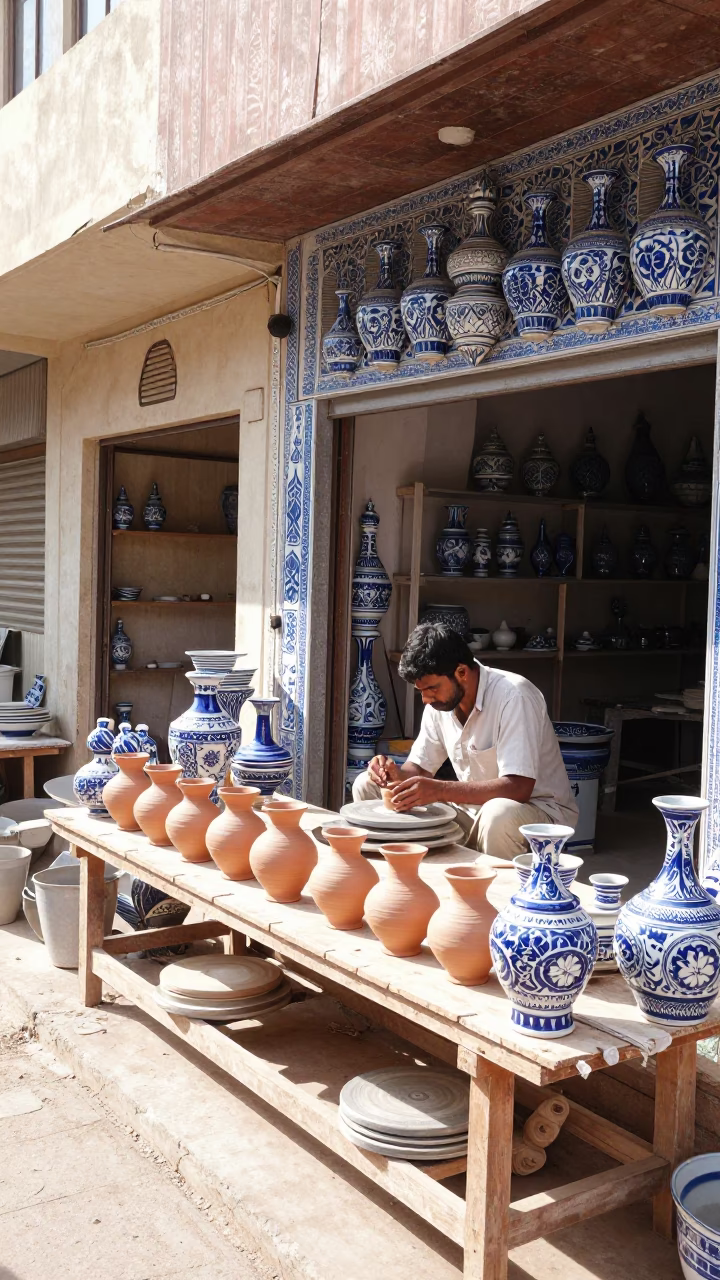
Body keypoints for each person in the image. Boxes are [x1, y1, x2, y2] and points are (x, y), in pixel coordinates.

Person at [353, 623, 578, 859]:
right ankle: (400, 878)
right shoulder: (438, 703)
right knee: (366, 785)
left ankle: (497, 892)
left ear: (461, 672)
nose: (426, 698)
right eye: (420, 690)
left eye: (431, 688)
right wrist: (393, 775)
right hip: (472, 811)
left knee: (498, 813)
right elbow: (419, 768)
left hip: (537, 814)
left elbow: (518, 788)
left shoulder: (514, 695)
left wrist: (439, 790)